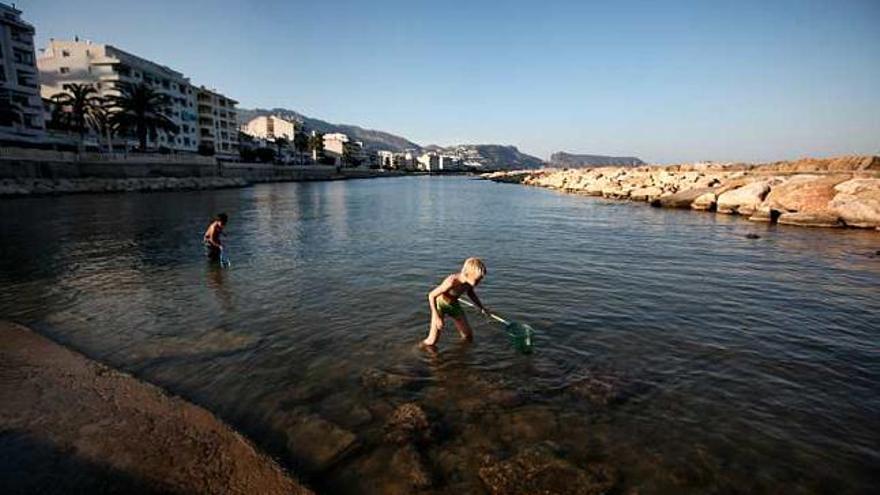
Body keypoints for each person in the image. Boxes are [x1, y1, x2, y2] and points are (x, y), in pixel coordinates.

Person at [421, 257, 489, 349]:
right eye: (477, 280)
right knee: (432, 341)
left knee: (468, 335)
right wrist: (437, 317)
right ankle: (419, 348)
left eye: (480, 280)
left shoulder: (469, 282)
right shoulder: (452, 282)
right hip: (440, 304)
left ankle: (460, 353)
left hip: (454, 305)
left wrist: (481, 307)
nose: (479, 282)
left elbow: (471, 293)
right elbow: (431, 295)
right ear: (467, 274)